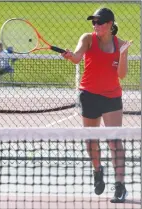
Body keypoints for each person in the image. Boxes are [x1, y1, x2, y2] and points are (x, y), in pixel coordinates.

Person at [61, 8, 132, 203]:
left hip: (111, 98)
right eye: (94, 22)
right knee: (91, 140)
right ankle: (97, 170)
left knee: (114, 141)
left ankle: (120, 186)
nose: (95, 25)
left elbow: (122, 75)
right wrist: (69, 55)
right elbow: (76, 57)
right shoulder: (88, 39)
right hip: (89, 96)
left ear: (110, 25)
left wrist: (123, 54)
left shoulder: (121, 44)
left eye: (100, 22)